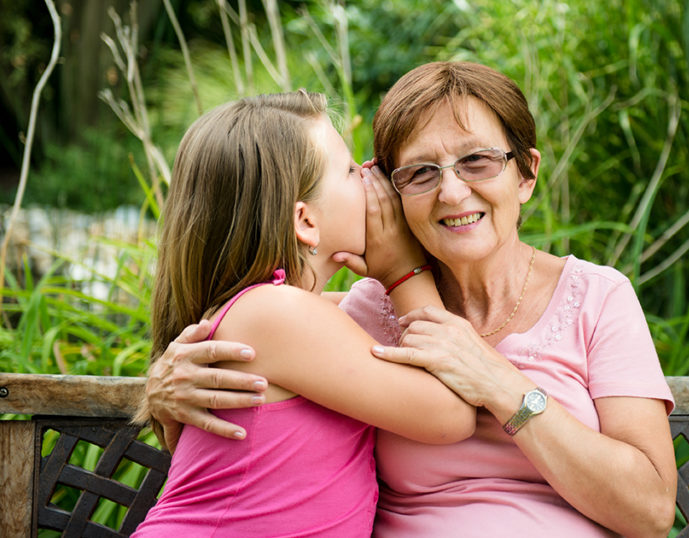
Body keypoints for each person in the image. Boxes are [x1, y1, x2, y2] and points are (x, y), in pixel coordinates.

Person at [144, 62, 678, 537]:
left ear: (527, 173)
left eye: (477, 161)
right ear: (396, 193)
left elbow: (651, 512)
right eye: (420, 172)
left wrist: (501, 384)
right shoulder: (360, 311)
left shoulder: (598, 297)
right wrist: (162, 386)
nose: (451, 192)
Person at [131, 90, 476, 537]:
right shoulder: (274, 312)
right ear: (306, 220)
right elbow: (450, 416)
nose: (372, 173)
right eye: (351, 170)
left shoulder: (287, 312)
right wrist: (402, 269)